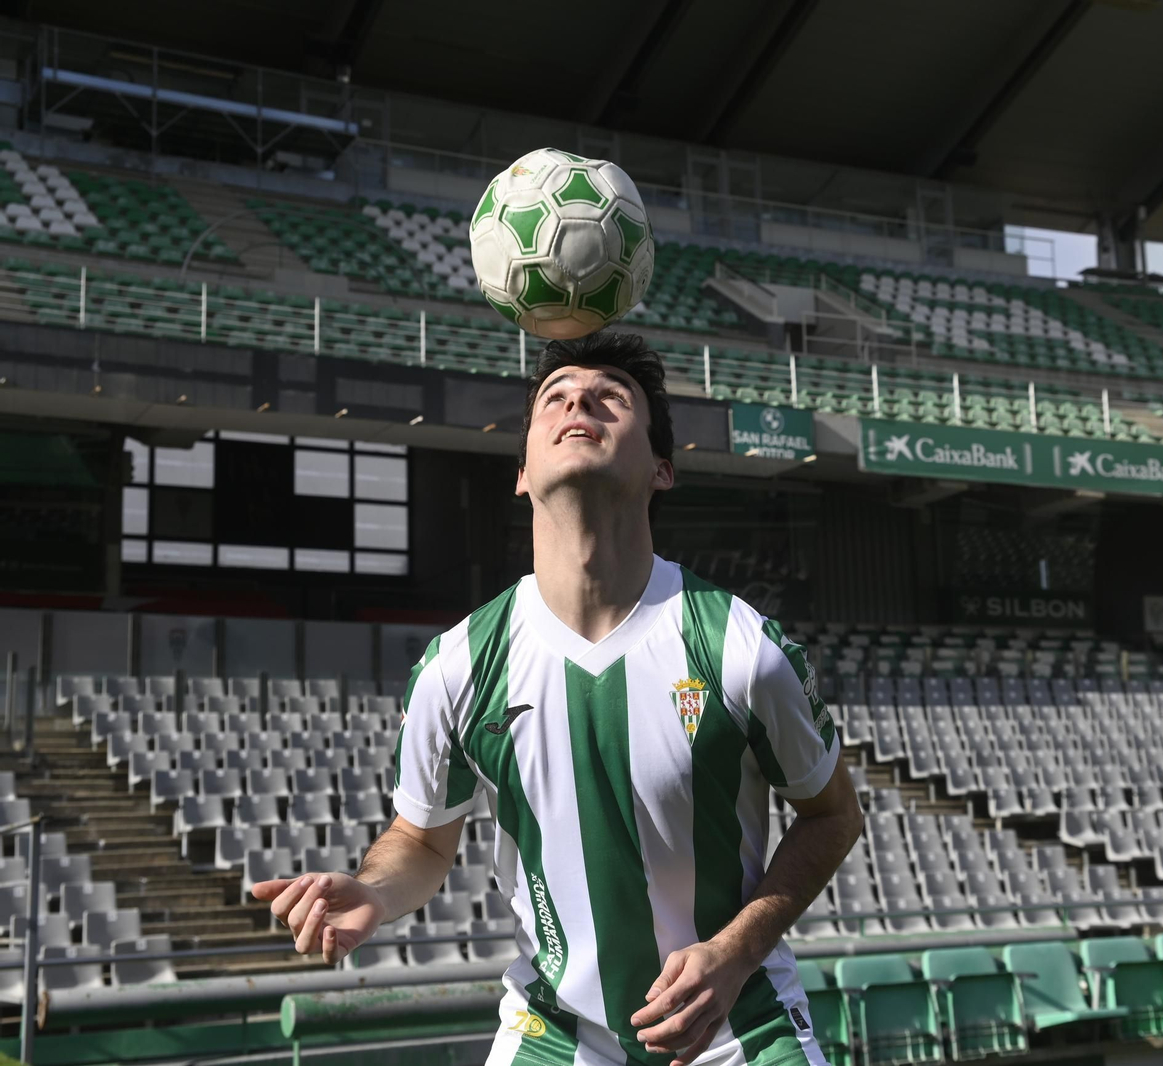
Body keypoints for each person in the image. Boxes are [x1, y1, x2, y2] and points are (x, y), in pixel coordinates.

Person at [251, 331, 864, 1066]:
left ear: (662, 470)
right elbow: (420, 840)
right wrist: (372, 891)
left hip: (741, 1024)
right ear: (521, 474)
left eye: (612, 395)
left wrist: (736, 951)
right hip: (556, 1033)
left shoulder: (741, 646)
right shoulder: (458, 665)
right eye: (556, 395)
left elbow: (833, 815)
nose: (579, 399)